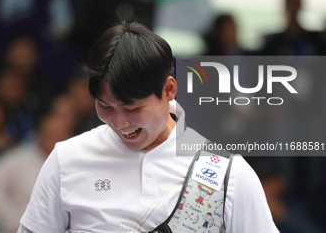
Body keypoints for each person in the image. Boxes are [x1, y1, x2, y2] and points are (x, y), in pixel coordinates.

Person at [17, 21, 279, 233]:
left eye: (132, 109)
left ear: (168, 90)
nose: (119, 123)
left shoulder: (227, 173)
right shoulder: (67, 160)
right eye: (105, 106)